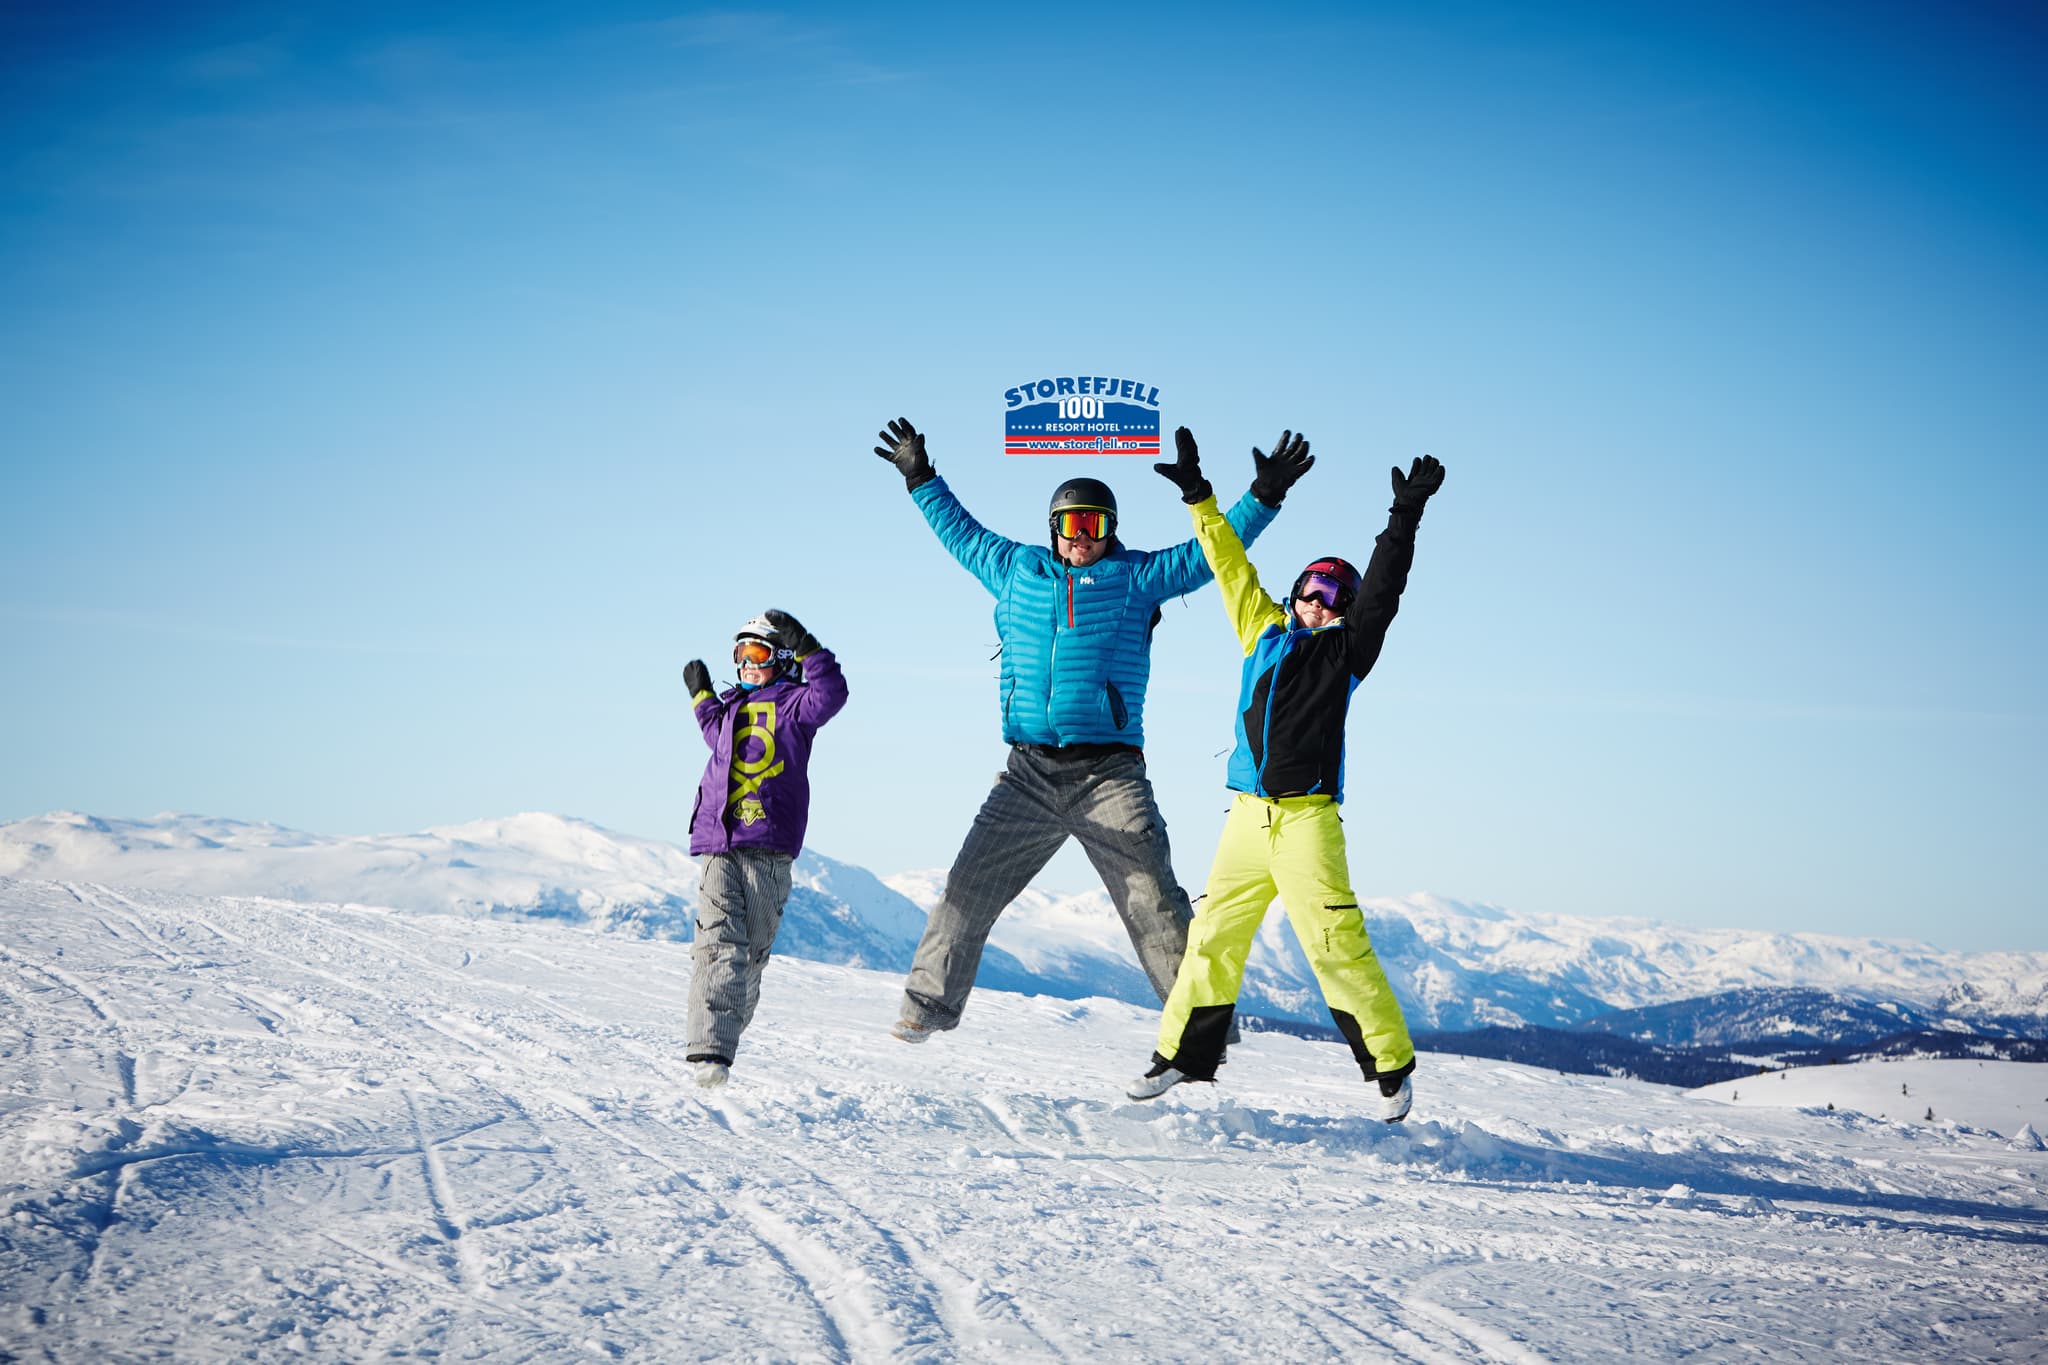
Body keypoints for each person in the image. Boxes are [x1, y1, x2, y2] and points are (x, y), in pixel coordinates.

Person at [872, 417, 1311, 1042]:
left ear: (1111, 530)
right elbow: (960, 533)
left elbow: (1211, 556)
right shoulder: (1015, 569)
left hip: (1109, 773)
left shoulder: (1135, 578)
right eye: (1074, 524)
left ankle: (1200, 1028)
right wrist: (920, 476)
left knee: (1154, 900)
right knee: (968, 886)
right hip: (1027, 773)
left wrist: (1263, 497)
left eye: (1097, 525)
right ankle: (925, 1007)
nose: (1085, 537)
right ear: (1055, 528)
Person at [1127, 429, 1445, 1123]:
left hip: (1306, 821)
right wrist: (1198, 496)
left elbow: (1385, 590)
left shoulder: (1348, 652)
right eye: (1311, 589)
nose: (1319, 602)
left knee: (1334, 940)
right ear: (1296, 591)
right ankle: (1181, 1055)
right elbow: (1229, 563)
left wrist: (1404, 517)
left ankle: (1390, 1066)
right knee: (1212, 938)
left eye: (1334, 594)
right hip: (1246, 817)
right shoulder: (1263, 630)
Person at [681, 609, 848, 1086]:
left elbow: (832, 694)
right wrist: (701, 696)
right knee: (716, 946)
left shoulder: (796, 706)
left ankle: (725, 1029)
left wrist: (809, 648)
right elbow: (715, 736)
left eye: (756, 653)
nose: (747, 664)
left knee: (748, 956)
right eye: (739, 655)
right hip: (719, 841)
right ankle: (709, 1051)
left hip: (767, 847)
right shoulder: (733, 708)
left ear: (779, 657)